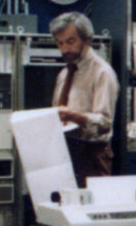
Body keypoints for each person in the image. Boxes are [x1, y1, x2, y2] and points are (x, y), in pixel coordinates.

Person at [50, 11, 118, 186]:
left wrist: (73, 116)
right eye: (60, 43)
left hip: (92, 156)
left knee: (92, 209)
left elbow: (104, 124)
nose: (65, 49)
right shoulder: (64, 74)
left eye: (70, 41)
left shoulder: (102, 72)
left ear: (87, 39)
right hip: (66, 151)